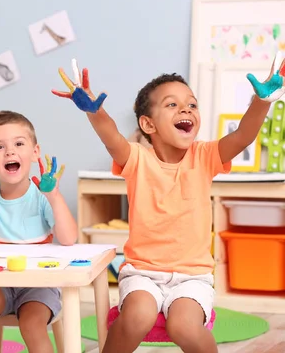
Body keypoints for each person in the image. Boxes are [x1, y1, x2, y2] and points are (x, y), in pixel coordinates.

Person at [52, 63, 275, 353]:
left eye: (191, 104)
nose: (186, 110)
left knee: (183, 325)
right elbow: (112, 138)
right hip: (143, 272)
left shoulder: (206, 155)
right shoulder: (136, 159)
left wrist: (262, 100)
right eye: (173, 104)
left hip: (193, 276)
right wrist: (95, 112)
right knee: (137, 316)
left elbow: (243, 135)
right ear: (148, 125)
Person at [0, 110, 77, 353]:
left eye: (19, 144)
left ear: (35, 152)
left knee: (32, 325)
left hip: (39, 285)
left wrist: (53, 197)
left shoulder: (42, 193)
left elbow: (68, 239)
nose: (10, 152)